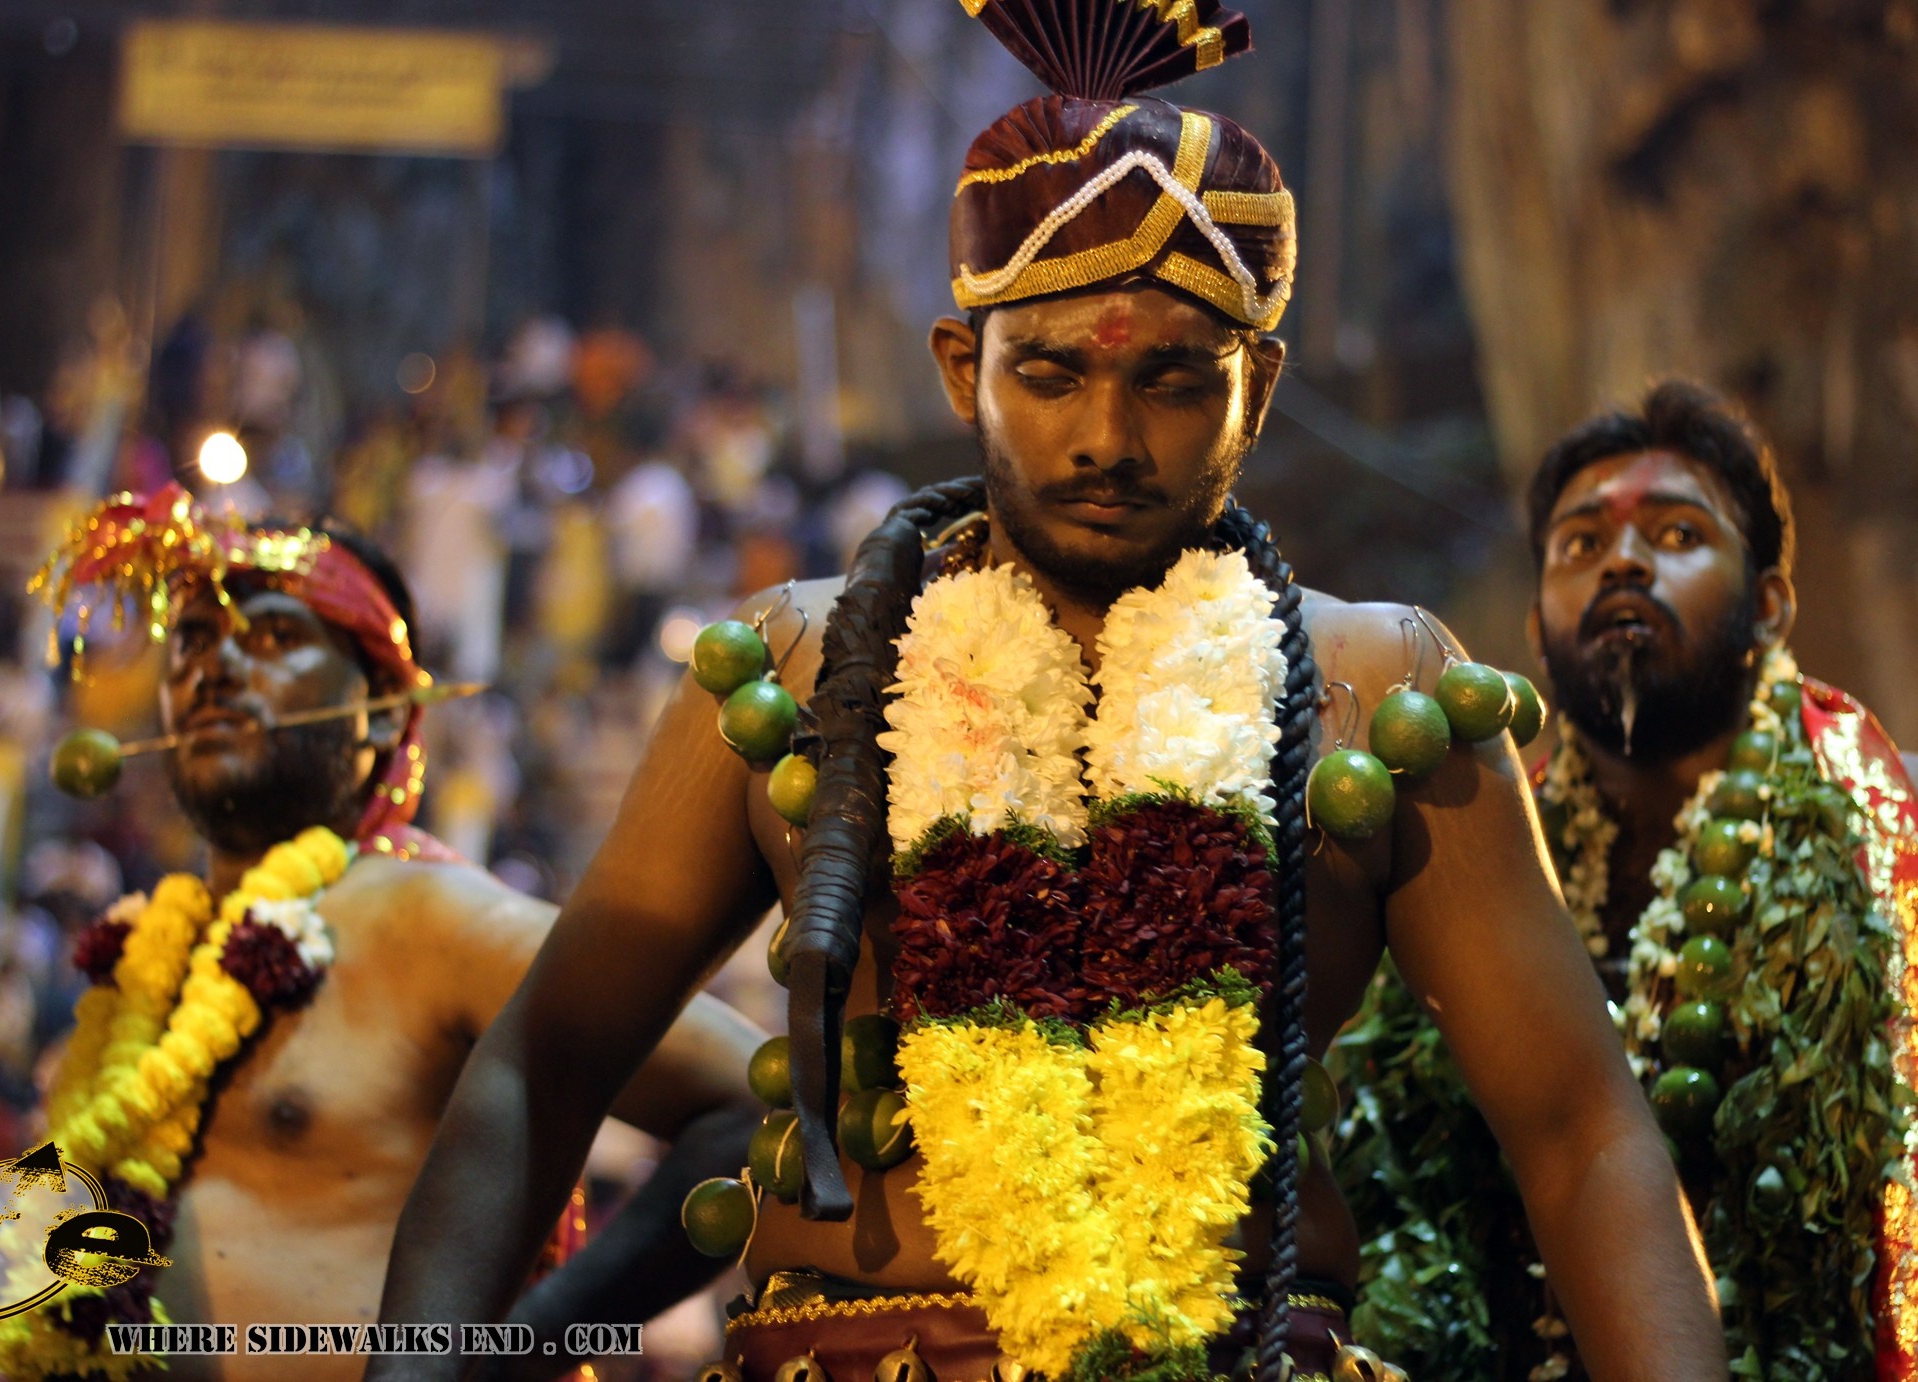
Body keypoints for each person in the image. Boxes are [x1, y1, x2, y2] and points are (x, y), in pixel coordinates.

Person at [371, 4, 1726, 1379]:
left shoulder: (1375, 692)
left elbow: (1579, 1133)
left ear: (1254, 388)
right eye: (1049, 372)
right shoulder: (798, 669)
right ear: (963, 371)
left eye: (1173, 382)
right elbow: (544, 1065)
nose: (1106, 438)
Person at [0, 486, 760, 1381]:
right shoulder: (139, 965)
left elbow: (750, 1098)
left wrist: (484, 1359)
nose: (217, 667)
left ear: (382, 712)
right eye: (192, 640)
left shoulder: (429, 918)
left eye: (273, 638)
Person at [1334, 380, 1918, 1380]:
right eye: (1578, 544)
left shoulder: (1889, 827)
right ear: (1535, 630)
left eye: (1678, 531)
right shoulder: (1465, 859)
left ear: (1769, 606)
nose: (1622, 560)